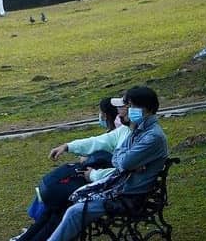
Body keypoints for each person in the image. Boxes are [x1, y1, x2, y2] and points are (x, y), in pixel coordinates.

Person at [33, 86, 169, 241]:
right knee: (68, 202)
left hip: (129, 194)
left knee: (74, 210)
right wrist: (124, 161)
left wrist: (122, 161)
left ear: (147, 108)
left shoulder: (151, 136)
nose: (127, 110)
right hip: (121, 187)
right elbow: (119, 159)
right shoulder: (138, 130)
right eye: (128, 106)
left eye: (131, 106)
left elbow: (122, 162)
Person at [11, 99, 127, 241]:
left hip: (110, 187)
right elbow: (97, 141)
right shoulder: (125, 131)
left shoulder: (139, 137)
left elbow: (123, 171)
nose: (120, 111)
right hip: (100, 182)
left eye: (124, 107)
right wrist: (68, 146)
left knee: (65, 206)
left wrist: (93, 174)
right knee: (56, 205)